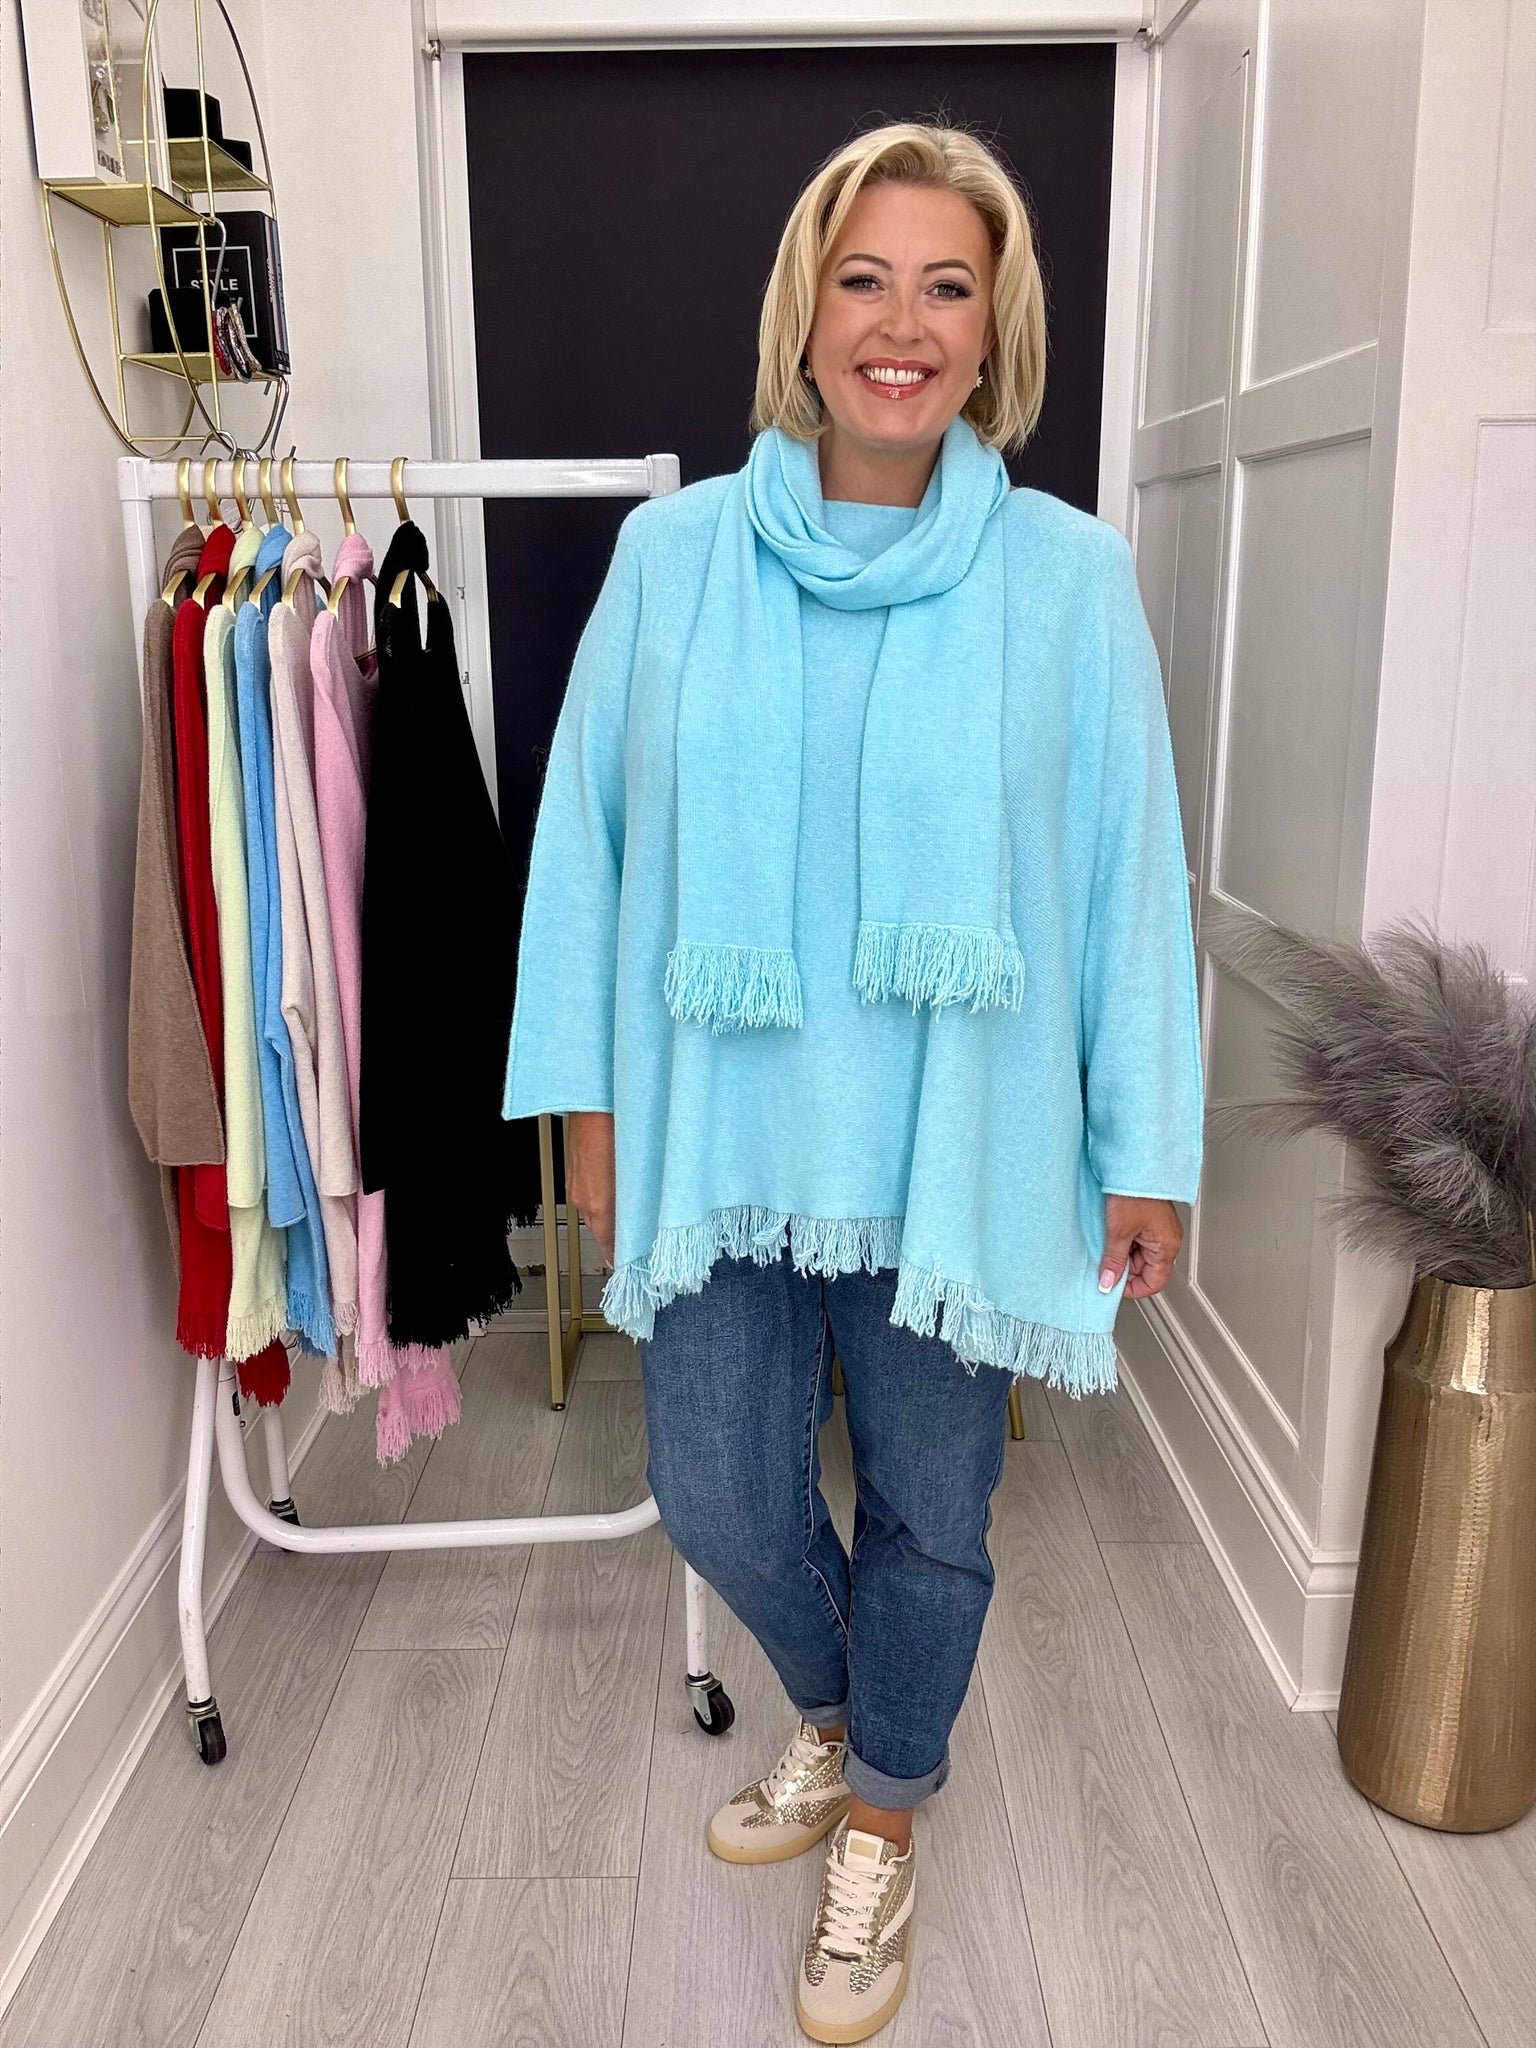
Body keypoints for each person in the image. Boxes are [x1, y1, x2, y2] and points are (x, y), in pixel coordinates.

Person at [503, 120, 1204, 2045]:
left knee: (934, 1514)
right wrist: (590, 1124)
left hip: (956, 1146)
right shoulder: (672, 560)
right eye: (866, 279)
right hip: (724, 1138)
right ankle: (842, 1710)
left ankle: (883, 1815)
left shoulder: (1068, 580)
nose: (904, 322)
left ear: (996, 331)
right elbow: (586, 857)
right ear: (805, 316)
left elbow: (1129, 878)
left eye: (948, 286)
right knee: (718, 1490)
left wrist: (1144, 1148)